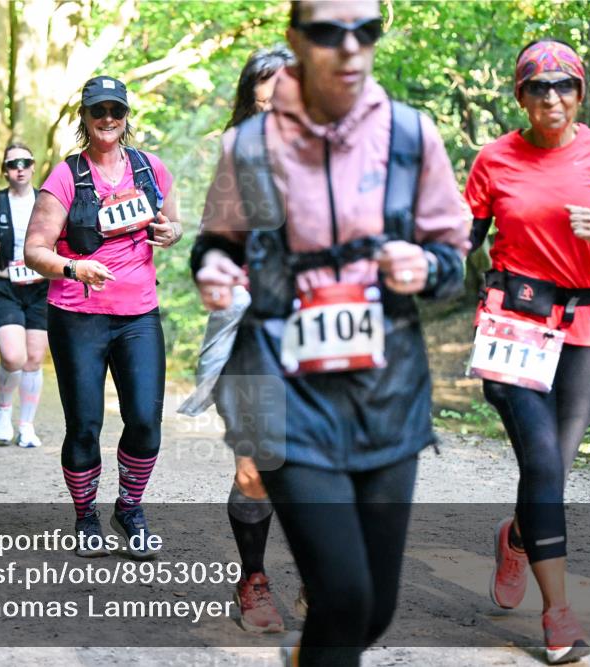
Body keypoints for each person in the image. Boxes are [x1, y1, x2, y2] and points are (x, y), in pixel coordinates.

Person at [192, 1, 468, 664]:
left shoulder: (410, 136)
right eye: (326, 31)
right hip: (282, 387)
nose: (348, 47)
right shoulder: (252, 145)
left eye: (364, 30)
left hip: (387, 390)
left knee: (372, 608)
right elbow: (213, 244)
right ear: (295, 39)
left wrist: (425, 263)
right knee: (341, 595)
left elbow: (452, 260)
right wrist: (216, 270)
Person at [464, 38, 590, 665]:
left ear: (580, 93)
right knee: (543, 466)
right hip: (512, 325)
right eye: (537, 87)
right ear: (520, 95)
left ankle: (517, 536)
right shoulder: (494, 160)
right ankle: (559, 618)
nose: (552, 98)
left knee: (555, 468)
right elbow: (461, 240)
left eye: (564, 86)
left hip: (586, 328)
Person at [24, 76, 181, 559]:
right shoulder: (66, 176)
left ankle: (129, 510)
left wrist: (170, 231)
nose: (107, 119)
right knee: (85, 424)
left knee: (144, 423)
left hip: (138, 315)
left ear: (126, 115)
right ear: (85, 118)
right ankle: (86, 516)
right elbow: (34, 251)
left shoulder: (150, 168)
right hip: (78, 315)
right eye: (98, 111)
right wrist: (75, 267)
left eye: (116, 111)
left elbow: (171, 223)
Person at [181, 45, 295, 635]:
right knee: (256, 463)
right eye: (265, 81)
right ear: (250, 92)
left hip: (323, 326)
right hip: (253, 324)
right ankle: (253, 579)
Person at [0, 142, 49, 448]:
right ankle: (3, 410)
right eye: (12, 164)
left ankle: (26, 426)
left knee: (34, 359)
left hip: (40, 288)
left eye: (25, 162)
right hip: (4, 287)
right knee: (13, 357)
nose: (19, 168)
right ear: (5, 171)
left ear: (32, 166)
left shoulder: (47, 201)